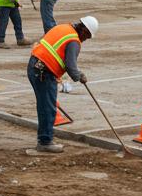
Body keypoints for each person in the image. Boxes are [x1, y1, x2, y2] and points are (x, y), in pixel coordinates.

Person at [27, 16, 99, 153]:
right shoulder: (74, 41)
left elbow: (54, 51)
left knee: (44, 106)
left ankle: (44, 138)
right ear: (83, 30)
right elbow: (71, 66)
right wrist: (80, 76)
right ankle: (45, 142)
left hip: (34, 66)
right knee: (48, 108)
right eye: (87, 36)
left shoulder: (64, 28)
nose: (85, 39)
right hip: (44, 72)